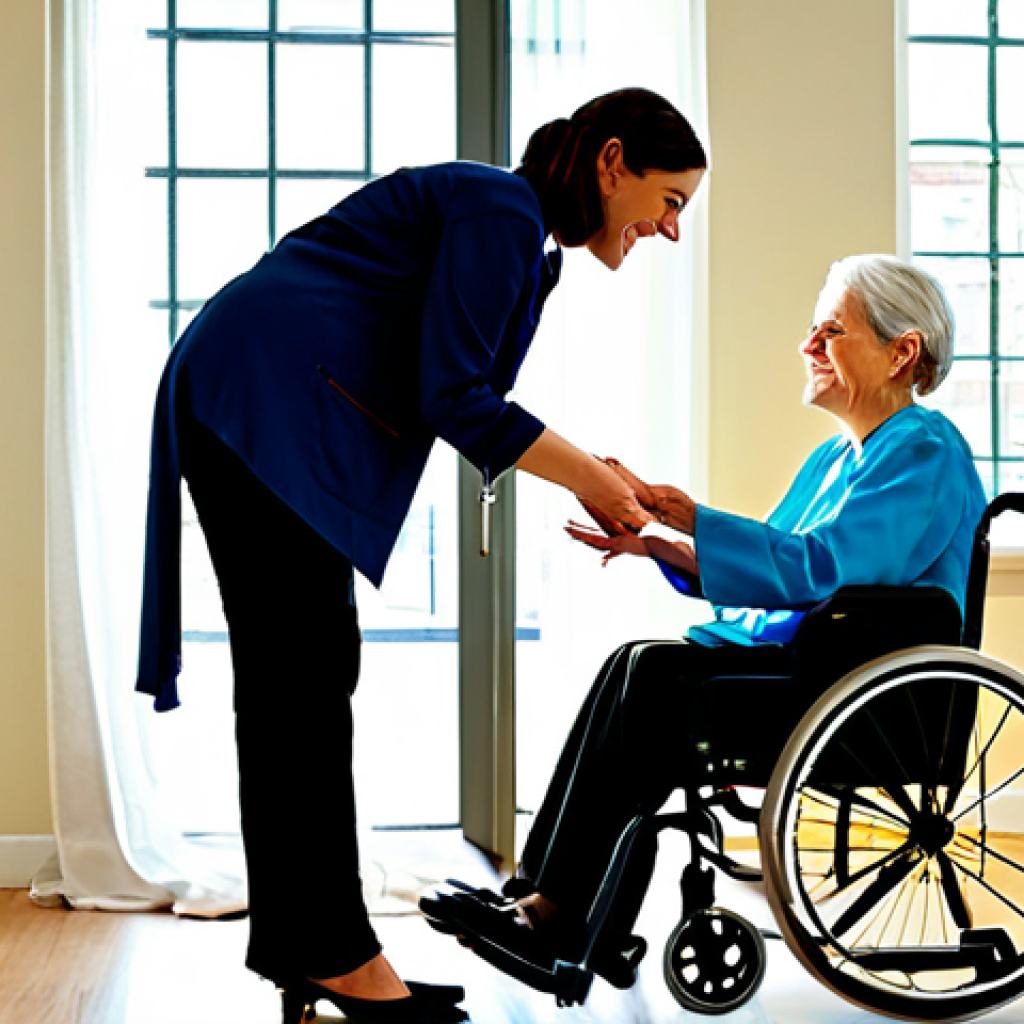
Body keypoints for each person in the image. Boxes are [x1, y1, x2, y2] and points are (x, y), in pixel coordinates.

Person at [134, 88, 706, 1024]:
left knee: (303, 681)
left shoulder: (516, 232)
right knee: (301, 684)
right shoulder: (502, 210)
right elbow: (457, 397)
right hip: (264, 403)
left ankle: (318, 950)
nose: (671, 229)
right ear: (612, 165)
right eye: (670, 199)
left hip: (264, 402)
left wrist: (595, 473)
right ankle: (335, 958)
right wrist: (586, 480)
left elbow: (464, 387)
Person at [421, 253, 988, 989]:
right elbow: (768, 582)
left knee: (654, 674)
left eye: (830, 330)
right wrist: (658, 538)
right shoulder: (833, 458)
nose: (807, 346)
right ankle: (539, 897)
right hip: (813, 669)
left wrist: (688, 516)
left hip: (871, 698)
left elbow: (820, 571)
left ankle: (558, 911)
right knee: (636, 661)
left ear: (901, 351)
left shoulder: (925, 449)